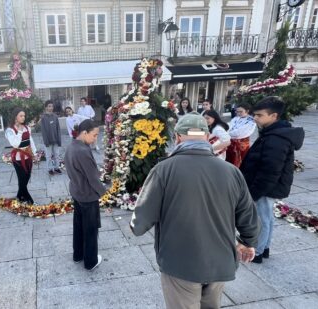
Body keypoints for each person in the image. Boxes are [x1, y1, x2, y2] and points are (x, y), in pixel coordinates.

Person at [130, 112, 260, 308]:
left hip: (180, 263)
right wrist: (247, 242)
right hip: (220, 261)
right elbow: (248, 216)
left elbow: (139, 223)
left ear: (177, 137)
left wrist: (137, 223)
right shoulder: (231, 171)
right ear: (207, 137)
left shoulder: (163, 170)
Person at [240, 96, 304, 264]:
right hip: (267, 186)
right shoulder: (273, 133)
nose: (255, 118)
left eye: (259, 115)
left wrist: (254, 193)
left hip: (265, 187)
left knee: (261, 219)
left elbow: (270, 170)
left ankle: (258, 252)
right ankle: (264, 247)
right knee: (266, 217)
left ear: (274, 116)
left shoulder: (276, 138)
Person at [64, 119, 106, 271]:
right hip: (88, 195)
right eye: (94, 135)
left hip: (77, 192)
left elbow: (82, 171)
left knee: (79, 226)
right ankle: (90, 262)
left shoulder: (71, 146)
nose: (96, 139)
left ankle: (78, 255)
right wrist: (104, 193)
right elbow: (93, 179)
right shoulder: (82, 151)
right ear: (84, 132)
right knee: (90, 229)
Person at [5, 108, 37, 204]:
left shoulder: (27, 128)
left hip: (28, 156)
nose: (23, 117)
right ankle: (29, 200)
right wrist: (19, 131)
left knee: (27, 177)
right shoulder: (9, 130)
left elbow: (30, 141)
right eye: (21, 116)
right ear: (16, 117)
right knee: (22, 178)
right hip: (18, 158)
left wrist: (34, 153)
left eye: (24, 115)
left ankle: (19, 196)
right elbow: (15, 144)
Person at [227, 103, 257, 168]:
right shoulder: (236, 118)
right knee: (229, 159)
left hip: (241, 144)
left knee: (238, 162)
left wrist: (227, 133)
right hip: (231, 142)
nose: (238, 113)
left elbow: (240, 133)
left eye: (241, 111)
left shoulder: (251, 121)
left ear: (247, 111)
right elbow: (229, 126)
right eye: (237, 111)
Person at [40, 100, 62, 175]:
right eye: (49, 106)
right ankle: (50, 169)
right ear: (46, 107)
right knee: (48, 155)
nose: (51, 108)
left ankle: (56, 168)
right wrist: (46, 141)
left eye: (52, 106)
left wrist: (59, 140)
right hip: (48, 141)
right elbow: (43, 131)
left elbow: (58, 129)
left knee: (56, 154)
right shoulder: (43, 118)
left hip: (55, 140)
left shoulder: (55, 116)